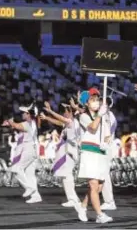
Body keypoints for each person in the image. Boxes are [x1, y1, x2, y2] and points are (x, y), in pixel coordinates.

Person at [73, 88, 113, 223]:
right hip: (89, 152)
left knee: (99, 186)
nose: (96, 102)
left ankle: (83, 206)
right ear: (87, 103)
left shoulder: (103, 117)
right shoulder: (83, 116)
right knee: (94, 184)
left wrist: (107, 143)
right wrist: (100, 115)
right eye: (93, 100)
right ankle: (100, 215)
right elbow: (93, 128)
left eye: (97, 99)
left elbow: (107, 135)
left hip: (100, 153)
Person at [40, 102, 80, 208]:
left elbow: (61, 119)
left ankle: (73, 199)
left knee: (67, 176)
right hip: (67, 153)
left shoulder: (72, 122)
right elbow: (58, 122)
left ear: (70, 112)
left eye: (65, 112)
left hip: (69, 153)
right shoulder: (68, 124)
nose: (64, 114)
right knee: (66, 176)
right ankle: (73, 198)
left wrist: (50, 111)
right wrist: (47, 117)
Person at [3, 103, 42, 204]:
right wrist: (11, 124)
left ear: (29, 114)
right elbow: (18, 127)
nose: (22, 114)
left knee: (16, 169)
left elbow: (17, 125)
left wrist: (10, 121)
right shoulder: (32, 123)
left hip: (28, 149)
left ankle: (29, 188)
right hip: (32, 150)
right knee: (30, 174)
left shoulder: (27, 124)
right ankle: (36, 196)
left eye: (24, 113)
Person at [100, 98, 118, 211]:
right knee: (102, 174)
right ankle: (107, 200)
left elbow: (107, 132)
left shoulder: (109, 116)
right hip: (106, 147)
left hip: (107, 147)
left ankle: (109, 201)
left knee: (104, 174)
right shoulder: (107, 115)